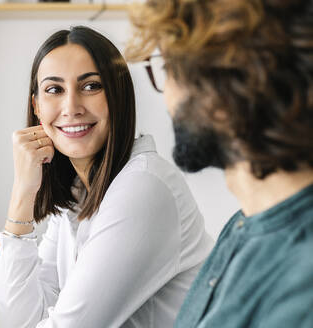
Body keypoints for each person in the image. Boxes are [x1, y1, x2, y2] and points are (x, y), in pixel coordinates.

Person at [0, 26, 214, 327]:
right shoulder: (78, 190)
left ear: (117, 96)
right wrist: (22, 193)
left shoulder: (143, 187)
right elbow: (21, 318)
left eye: (91, 86)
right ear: (36, 107)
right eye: (54, 90)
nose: (71, 107)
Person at [126, 0, 313, 326]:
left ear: (222, 82)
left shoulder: (301, 281)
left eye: (168, 69)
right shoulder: (245, 223)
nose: (166, 94)